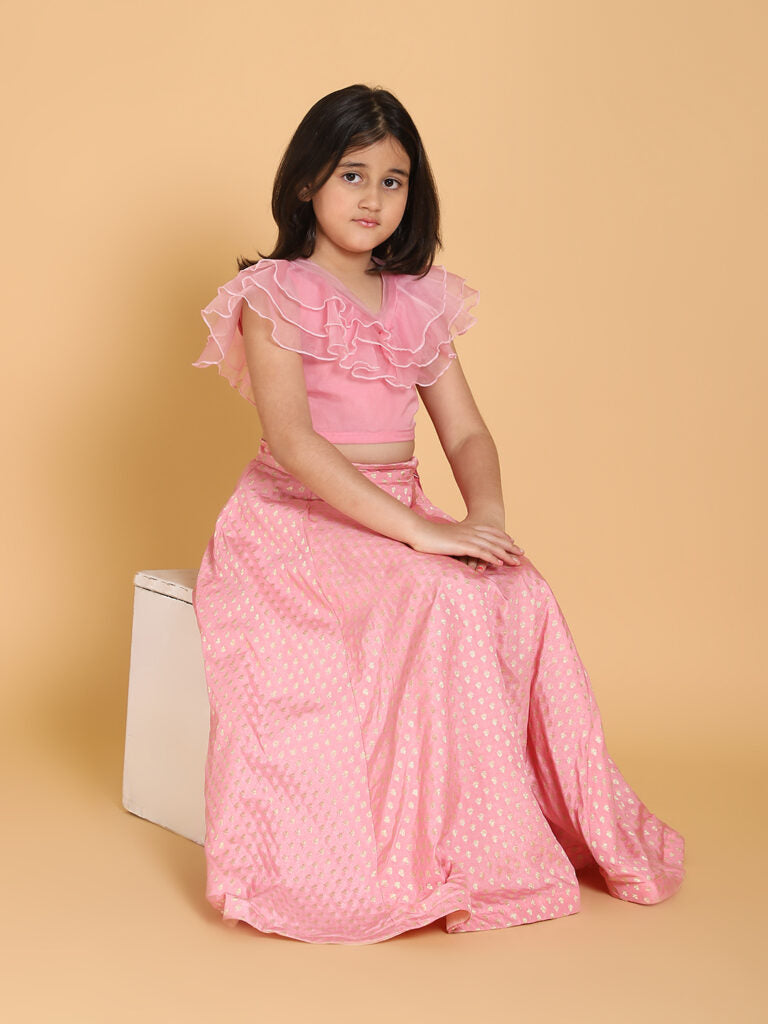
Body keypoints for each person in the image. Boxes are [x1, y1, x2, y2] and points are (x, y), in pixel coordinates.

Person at [191, 83, 685, 945]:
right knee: (441, 596)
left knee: (520, 592)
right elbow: (296, 442)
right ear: (307, 181)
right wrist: (423, 535)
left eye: (393, 181)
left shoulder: (417, 298)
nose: (373, 198)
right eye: (352, 175)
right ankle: (437, 850)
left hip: (402, 505)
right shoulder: (277, 293)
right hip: (299, 518)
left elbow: (465, 430)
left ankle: (513, 826)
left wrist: (482, 519)